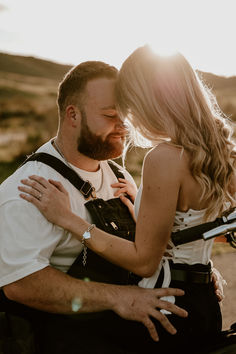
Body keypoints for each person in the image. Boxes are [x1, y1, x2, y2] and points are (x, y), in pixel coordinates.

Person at [19, 46, 236, 354]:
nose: (128, 120)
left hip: (166, 305)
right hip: (202, 303)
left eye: (129, 107)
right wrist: (141, 203)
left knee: (60, 332)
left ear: (147, 100)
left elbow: (145, 261)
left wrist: (69, 220)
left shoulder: (163, 157)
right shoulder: (222, 152)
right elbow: (191, 227)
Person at [0, 60, 189, 354]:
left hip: (117, 334)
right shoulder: (28, 189)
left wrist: (194, 272)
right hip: (60, 341)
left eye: (125, 115)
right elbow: (22, 284)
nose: (123, 126)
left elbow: (146, 249)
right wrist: (120, 297)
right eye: (111, 115)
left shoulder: (118, 175)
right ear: (72, 115)